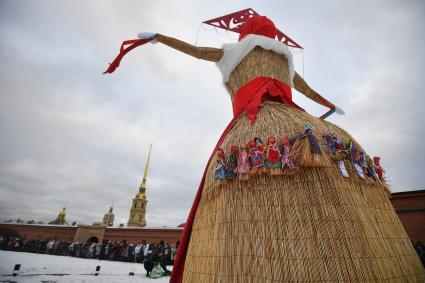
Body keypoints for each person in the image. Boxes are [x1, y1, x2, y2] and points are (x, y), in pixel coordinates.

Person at [105, 10, 425, 283]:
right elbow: (307, 89)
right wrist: (329, 105)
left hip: (254, 129)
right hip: (302, 127)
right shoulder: (281, 59)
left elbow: (196, 51)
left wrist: (156, 38)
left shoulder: (235, 54)